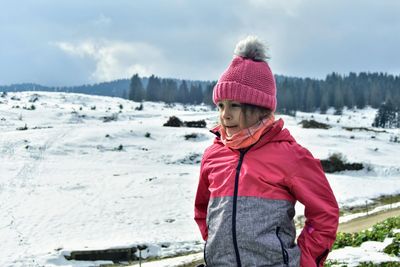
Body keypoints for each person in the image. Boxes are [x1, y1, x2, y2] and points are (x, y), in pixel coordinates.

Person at [194, 36, 339, 267]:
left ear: (259, 109)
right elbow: (202, 209)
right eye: (220, 105)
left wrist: (307, 259)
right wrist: (218, 246)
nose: (225, 115)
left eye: (235, 105)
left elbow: (325, 213)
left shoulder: (290, 156)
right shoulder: (214, 155)